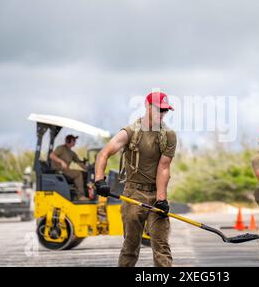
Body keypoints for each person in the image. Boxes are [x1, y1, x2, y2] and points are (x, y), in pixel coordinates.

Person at [94, 91, 177, 267]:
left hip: (156, 194)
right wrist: (99, 180)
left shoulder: (168, 135)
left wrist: (161, 199)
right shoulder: (130, 132)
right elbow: (104, 154)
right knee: (131, 246)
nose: (162, 114)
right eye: (159, 109)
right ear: (148, 107)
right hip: (133, 194)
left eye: (165, 110)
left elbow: (164, 167)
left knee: (162, 247)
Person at [50, 135, 89, 201]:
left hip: (66, 171)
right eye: (74, 140)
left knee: (85, 174)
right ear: (69, 141)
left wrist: (88, 168)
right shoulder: (61, 148)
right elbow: (52, 155)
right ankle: (80, 196)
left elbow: (79, 162)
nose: (75, 142)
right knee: (78, 174)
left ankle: (87, 194)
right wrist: (61, 162)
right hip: (59, 171)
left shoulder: (71, 152)